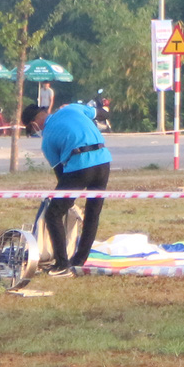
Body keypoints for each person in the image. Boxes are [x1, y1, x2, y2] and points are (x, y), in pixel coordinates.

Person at [25, 98, 112, 275]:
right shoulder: (72, 108)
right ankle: (79, 261)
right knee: (93, 213)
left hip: (79, 165)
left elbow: (61, 177)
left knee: (53, 214)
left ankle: (62, 264)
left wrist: (68, 203)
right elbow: (103, 114)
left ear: (34, 124)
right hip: (103, 160)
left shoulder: (47, 140)